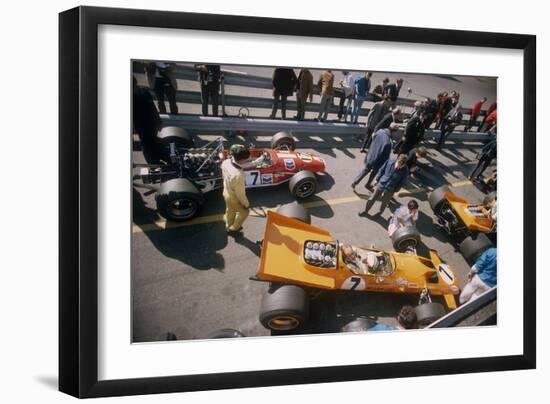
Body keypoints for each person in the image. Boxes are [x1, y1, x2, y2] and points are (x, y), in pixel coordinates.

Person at [352, 123, 397, 190]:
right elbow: (385, 157)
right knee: (373, 173)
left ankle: (355, 182)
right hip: (378, 160)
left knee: (366, 169)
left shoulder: (380, 131)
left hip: (371, 154)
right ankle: (368, 184)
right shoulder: (388, 142)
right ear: (394, 131)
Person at [221, 144, 252, 233]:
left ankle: (227, 223)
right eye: (246, 159)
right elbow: (240, 194)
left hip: (226, 191)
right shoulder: (238, 176)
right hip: (233, 197)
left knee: (230, 210)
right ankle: (234, 228)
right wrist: (246, 204)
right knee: (244, 212)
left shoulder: (226, 162)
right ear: (242, 160)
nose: (247, 160)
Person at [132, 77, 162, 164]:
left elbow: (153, 107)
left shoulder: (145, 92)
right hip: (140, 126)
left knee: (154, 142)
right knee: (146, 145)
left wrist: (158, 121)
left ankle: (157, 160)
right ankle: (151, 163)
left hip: (151, 123)